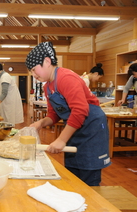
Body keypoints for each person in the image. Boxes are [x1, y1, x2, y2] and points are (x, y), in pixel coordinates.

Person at [25, 42, 111, 186]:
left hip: (92, 129)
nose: (34, 75)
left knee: (89, 174)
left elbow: (80, 110)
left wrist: (61, 139)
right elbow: (54, 115)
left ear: (47, 61)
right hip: (74, 129)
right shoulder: (48, 87)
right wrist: (40, 123)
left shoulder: (66, 78)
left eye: (34, 70)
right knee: (73, 174)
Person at [0, 60, 24, 125]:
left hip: (9, 103)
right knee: (4, 122)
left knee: (9, 123)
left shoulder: (5, 77)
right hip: (4, 103)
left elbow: (4, 93)